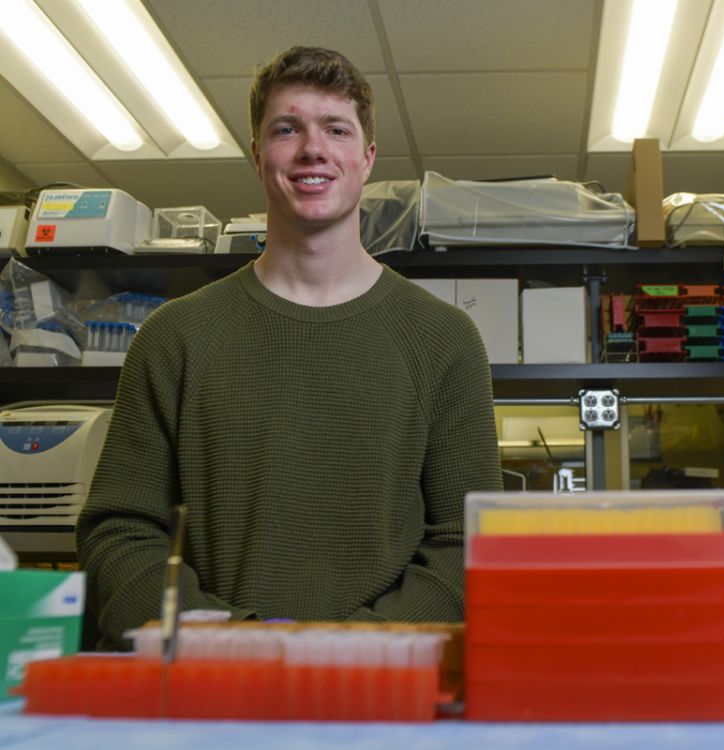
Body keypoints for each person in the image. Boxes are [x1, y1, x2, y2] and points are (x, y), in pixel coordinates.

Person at [76, 46, 503, 650]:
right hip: (211, 687)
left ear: (367, 157)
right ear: (258, 156)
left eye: (336, 129)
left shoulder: (444, 339)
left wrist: (346, 654)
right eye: (286, 129)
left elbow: (467, 545)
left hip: (385, 691)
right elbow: (119, 535)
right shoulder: (174, 337)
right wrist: (239, 646)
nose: (312, 149)